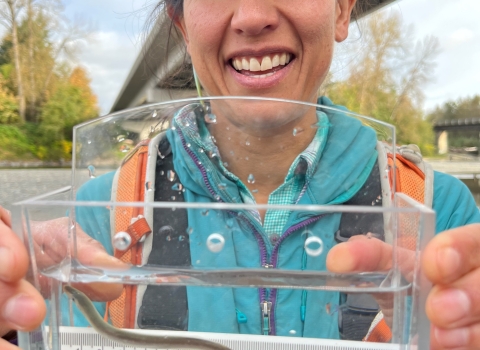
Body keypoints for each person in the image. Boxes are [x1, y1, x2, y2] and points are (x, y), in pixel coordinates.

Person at [1, 0, 480, 348]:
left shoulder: (445, 213)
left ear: (341, 11)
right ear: (183, 28)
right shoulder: (93, 219)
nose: (252, 16)